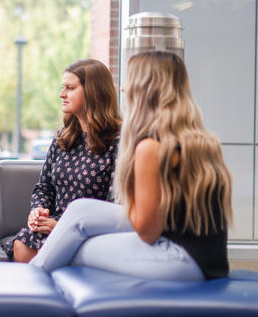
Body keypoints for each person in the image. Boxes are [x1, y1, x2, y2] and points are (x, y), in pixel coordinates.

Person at [30, 50, 233, 281]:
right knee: (78, 211)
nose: (124, 88)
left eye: (130, 80)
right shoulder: (196, 139)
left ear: (146, 87)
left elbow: (147, 231)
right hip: (206, 260)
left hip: (179, 259)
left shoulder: (152, 147)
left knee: (74, 244)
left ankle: (33, 284)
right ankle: (35, 277)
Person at [3, 58, 121, 263]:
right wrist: (38, 210)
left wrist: (64, 227)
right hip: (54, 226)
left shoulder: (118, 142)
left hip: (92, 232)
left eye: (70, 88)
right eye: (62, 87)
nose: (62, 94)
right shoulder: (63, 138)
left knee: (35, 249)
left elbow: (115, 207)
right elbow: (44, 187)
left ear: (93, 92)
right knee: (24, 242)